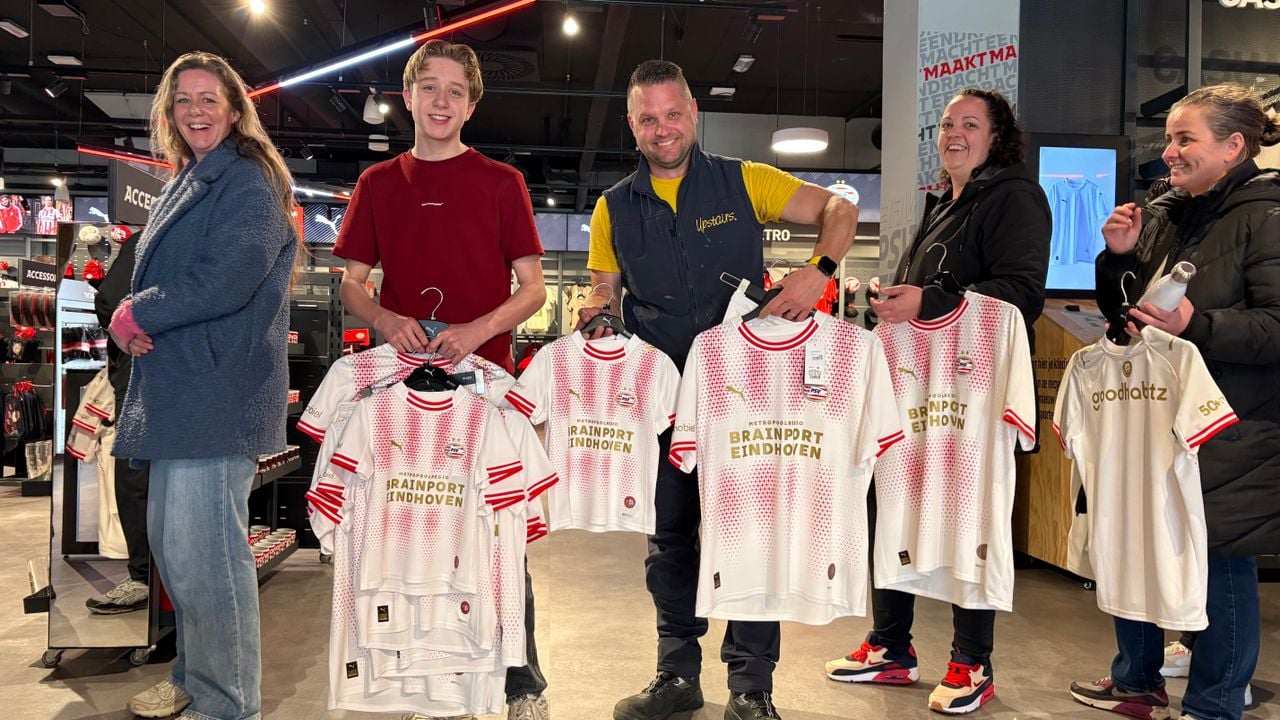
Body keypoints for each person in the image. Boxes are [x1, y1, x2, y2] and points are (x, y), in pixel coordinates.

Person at [581, 59, 859, 720]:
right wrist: (596, 321)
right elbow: (602, 290)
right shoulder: (612, 207)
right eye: (648, 118)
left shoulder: (742, 181)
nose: (662, 128)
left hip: (747, 394)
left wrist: (816, 273)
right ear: (632, 124)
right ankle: (676, 674)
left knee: (750, 534)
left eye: (672, 113)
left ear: (693, 113)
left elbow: (840, 210)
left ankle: (751, 685)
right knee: (670, 539)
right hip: (664, 397)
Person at [332, 39, 549, 720]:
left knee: (496, 532)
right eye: (429, 86)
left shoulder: (500, 182)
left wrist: (478, 330)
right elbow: (351, 285)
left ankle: (520, 682)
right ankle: (413, 668)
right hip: (399, 386)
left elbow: (535, 289)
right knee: (405, 526)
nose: (442, 101)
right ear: (409, 95)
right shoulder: (378, 184)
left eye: (455, 90)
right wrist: (387, 317)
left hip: (484, 385)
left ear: (472, 104)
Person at [823, 88, 1050, 715]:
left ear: (997, 136)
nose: (953, 133)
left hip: (972, 392)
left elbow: (1022, 293)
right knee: (891, 500)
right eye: (947, 124)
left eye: (969, 125)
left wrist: (930, 301)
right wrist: (896, 297)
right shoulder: (941, 205)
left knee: (969, 515)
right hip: (919, 382)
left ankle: (971, 661)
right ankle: (892, 647)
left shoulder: (1015, 196)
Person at [1070, 83, 1280, 720]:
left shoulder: (1266, 214)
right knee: (1138, 539)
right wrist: (1118, 260)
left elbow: (1275, 325)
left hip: (1230, 426)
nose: (1170, 152)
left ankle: (1215, 703)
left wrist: (1199, 326)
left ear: (1233, 146)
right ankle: (1138, 682)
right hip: (1152, 416)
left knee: (1219, 558)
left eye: (1185, 138)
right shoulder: (1170, 211)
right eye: (1169, 139)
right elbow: (1127, 310)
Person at [106, 51, 300, 720]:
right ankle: (194, 675)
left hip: (217, 391)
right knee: (181, 555)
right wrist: (135, 320)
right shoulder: (195, 178)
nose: (195, 109)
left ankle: (227, 701)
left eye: (208, 98)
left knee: (210, 560)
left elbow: (228, 278)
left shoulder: (247, 181)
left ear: (235, 108)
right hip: (185, 392)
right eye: (183, 98)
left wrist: (139, 311)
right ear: (169, 111)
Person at [84, 230, 150, 617]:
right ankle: (148, 577)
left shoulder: (147, 237)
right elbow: (112, 301)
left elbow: (109, 300)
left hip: (143, 371)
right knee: (143, 475)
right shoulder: (149, 240)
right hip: (161, 375)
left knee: (137, 475)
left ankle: (144, 577)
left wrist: (128, 331)